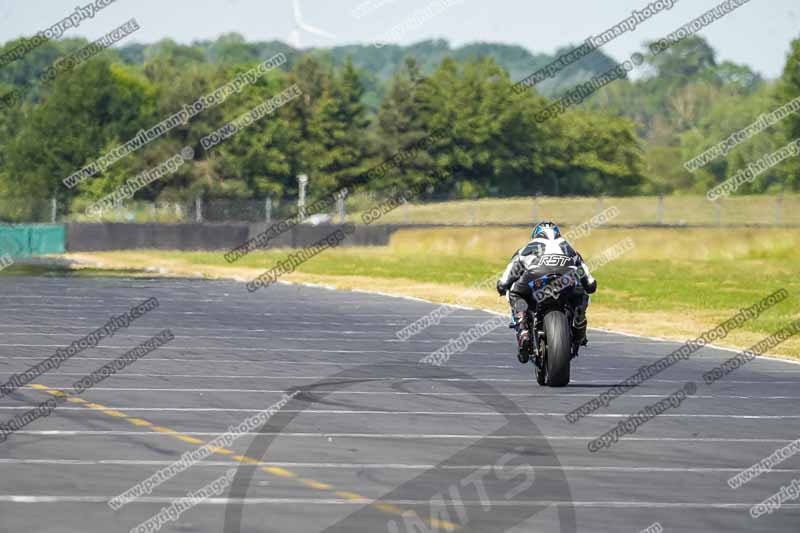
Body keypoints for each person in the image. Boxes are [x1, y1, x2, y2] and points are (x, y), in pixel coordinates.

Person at [496, 221, 597, 357]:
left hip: (536, 274)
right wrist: (590, 284)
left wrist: (503, 284)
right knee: (582, 293)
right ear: (557, 233)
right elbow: (588, 280)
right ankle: (579, 316)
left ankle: (523, 326)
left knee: (514, 292)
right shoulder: (568, 247)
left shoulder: (528, 247)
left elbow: (512, 270)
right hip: (567, 276)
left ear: (535, 234)